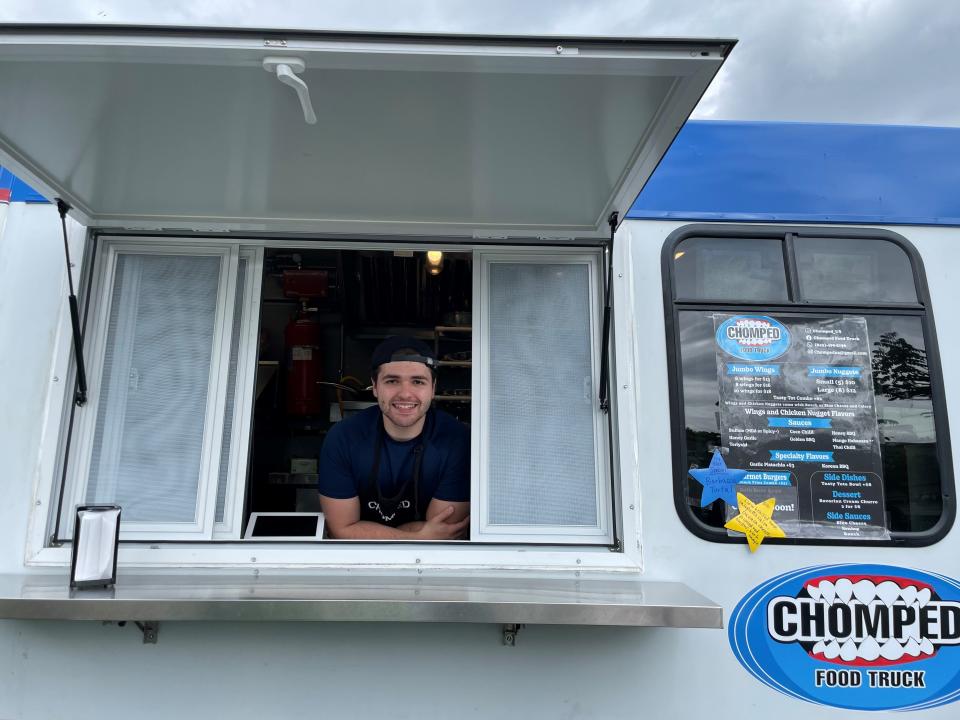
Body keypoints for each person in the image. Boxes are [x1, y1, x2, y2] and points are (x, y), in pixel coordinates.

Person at [318, 335, 470, 539]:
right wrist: (416, 537)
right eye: (392, 381)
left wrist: (365, 532)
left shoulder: (458, 441)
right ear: (374, 386)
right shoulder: (343, 438)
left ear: (433, 388)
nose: (405, 394)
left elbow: (444, 534)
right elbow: (341, 530)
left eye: (418, 381)